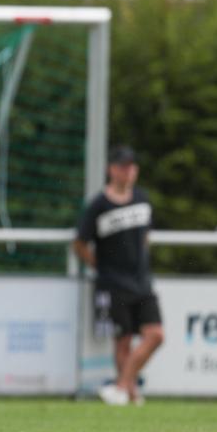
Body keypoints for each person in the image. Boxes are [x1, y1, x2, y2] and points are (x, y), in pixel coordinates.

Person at [73, 145, 164, 406]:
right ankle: (130, 393)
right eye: (124, 166)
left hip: (142, 282)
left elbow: (145, 238)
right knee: (122, 340)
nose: (129, 171)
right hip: (113, 283)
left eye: (132, 166)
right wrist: (99, 265)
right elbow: (79, 244)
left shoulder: (142, 199)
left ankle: (121, 386)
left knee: (155, 335)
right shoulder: (98, 205)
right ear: (112, 169)